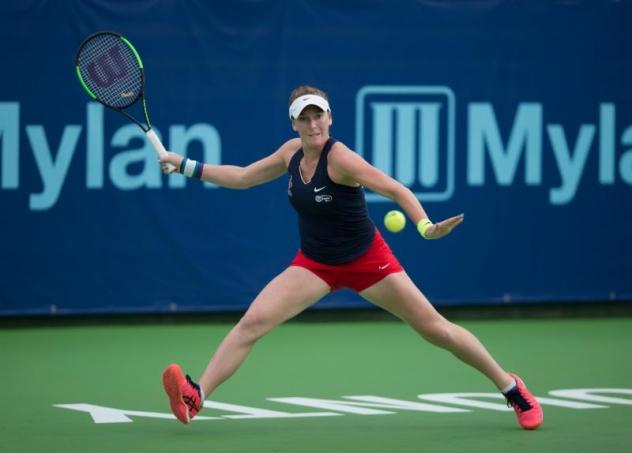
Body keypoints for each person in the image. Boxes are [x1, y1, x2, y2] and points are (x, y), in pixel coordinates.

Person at [159, 85, 543, 430]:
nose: (313, 125)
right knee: (252, 323)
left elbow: (395, 189)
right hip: (314, 263)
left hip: (366, 261)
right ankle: (197, 396)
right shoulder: (290, 154)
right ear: (294, 124)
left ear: (330, 118)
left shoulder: (341, 158)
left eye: (318, 115)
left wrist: (426, 227)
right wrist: (186, 166)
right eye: (304, 118)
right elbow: (242, 177)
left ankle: (511, 388)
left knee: (435, 329)